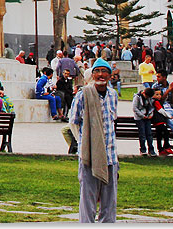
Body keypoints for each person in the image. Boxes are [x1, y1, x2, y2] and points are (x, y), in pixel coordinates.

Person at [68, 58, 118, 223]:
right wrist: (84, 145)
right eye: (97, 71)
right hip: (89, 156)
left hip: (110, 155)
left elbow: (112, 121)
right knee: (88, 200)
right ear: (93, 74)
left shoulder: (113, 95)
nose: (101, 75)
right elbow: (74, 122)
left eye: (104, 71)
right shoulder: (84, 95)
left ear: (110, 76)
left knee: (109, 201)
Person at [132, 87, 157, 157]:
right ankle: (143, 149)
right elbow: (135, 108)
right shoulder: (137, 97)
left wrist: (150, 115)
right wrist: (142, 116)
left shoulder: (150, 99)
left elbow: (152, 107)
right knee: (142, 134)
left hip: (147, 117)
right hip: (140, 118)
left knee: (149, 134)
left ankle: (151, 149)